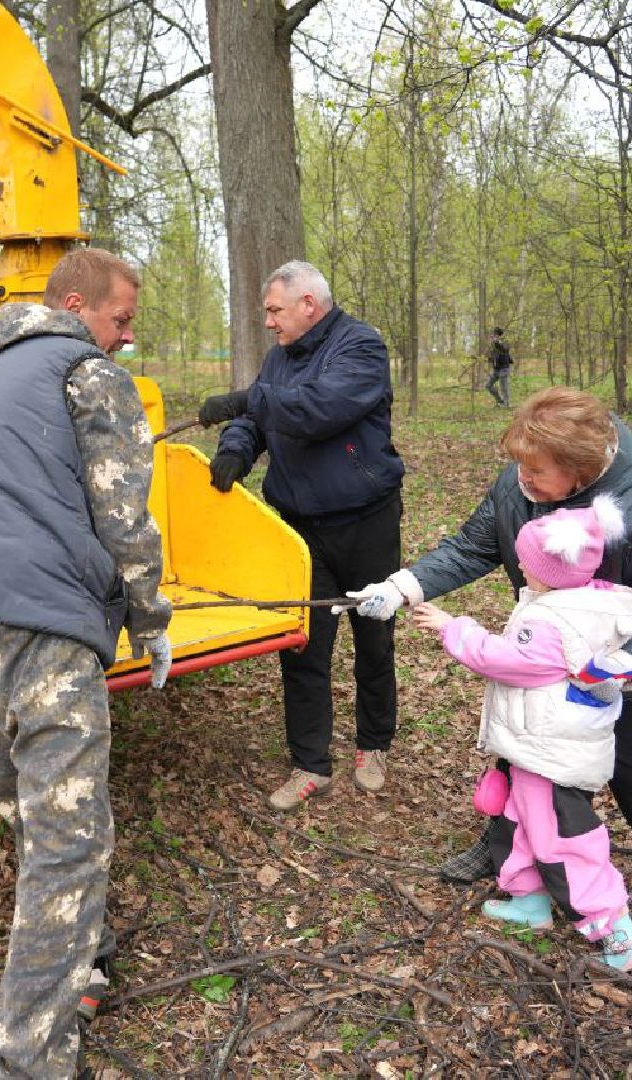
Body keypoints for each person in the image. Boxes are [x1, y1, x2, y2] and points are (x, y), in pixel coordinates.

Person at [0, 247, 173, 1078]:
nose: (126, 337)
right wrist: (149, 617)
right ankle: (29, 1057)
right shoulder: (87, 374)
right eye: (121, 318)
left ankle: (89, 951)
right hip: (46, 628)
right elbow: (124, 513)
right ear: (75, 305)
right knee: (67, 845)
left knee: (31, 810)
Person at [344, 387, 632, 908]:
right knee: (520, 742)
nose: (522, 479)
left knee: (625, 749)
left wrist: (622, 659)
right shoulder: (520, 484)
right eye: (519, 466)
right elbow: (471, 547)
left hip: (613, 662)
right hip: (540, 647)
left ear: (579, 469)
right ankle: (501, 844)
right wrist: (401, 587)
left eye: (537, 471)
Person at [412, 494, 632, 971]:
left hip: (551, 753)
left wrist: (454, 627)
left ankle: (615, 930)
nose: (518, 566)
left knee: (563, 839)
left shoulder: (550, 621)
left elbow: (502, 660)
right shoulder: (589, 603)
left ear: (548, 573)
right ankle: (528, 900)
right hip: (541, 745)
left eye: (525, 562)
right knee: (517, 822)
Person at [198, 260, 406, 810]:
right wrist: (235, 450)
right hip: (300, 530)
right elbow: (261, 417)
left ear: (308, 305)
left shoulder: (361, 349)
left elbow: (318, 410)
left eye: (274, 310)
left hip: (366, 521)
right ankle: (310, 762)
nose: (269, 321)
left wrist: (245, 399)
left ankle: (373, 744)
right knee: (303, 645)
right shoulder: (278, 357)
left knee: (374, 634)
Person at [486, 327, 513, 407]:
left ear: (498, 336)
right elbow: (492, 357)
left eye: (494, 335)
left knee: (503, 387)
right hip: (496, 370)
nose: (492, 337)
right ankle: (500, 401)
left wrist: (497, 342)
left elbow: (504, 350)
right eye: (492, 335)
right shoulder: (493, 345)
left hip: (504, 369)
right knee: (488, 385)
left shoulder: (505, 343)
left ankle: (506, 404)